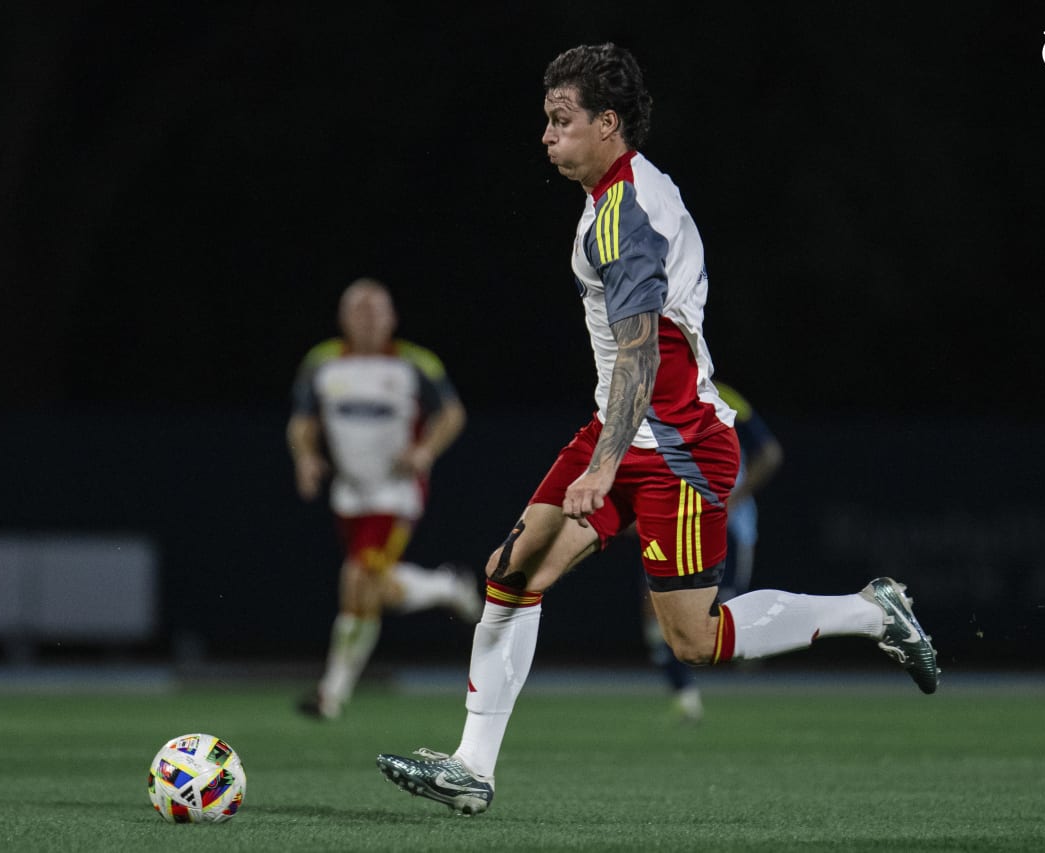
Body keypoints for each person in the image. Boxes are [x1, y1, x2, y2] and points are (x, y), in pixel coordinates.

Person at [376, 43, 939, 815]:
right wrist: (609, 446)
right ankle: (473, 766)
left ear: (608, 124)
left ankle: (874, 611)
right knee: (510, 569)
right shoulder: (626, 192)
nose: (547, 135)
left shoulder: (623, 214)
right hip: (624, 427)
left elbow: (641, 349)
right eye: (546, 120)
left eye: (562, 120)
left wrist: (604, 466)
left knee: (692, 640)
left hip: (675, 443)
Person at [287, 277, 482, 720]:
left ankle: (330, 695)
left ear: (393, 317)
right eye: (359, 309)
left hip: (396, 493)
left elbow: (452, 413)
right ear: (343, 318)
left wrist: (425, 450)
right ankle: (447, 586)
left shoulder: (414, 364)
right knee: (373, 588)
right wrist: (305, 458)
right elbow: (302, 421)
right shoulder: (323, 362)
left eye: (377, 309)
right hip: (349, 494)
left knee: (357, 579)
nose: (369, 318)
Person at [641, 380, 784, 723]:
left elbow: (770, 453)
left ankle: (778, 633)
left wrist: (734, 499)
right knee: (656, 614)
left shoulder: (724, 398)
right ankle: (685, 698)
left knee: (720, 614)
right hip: (671, 521)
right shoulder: (650, 398)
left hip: (723, 526)